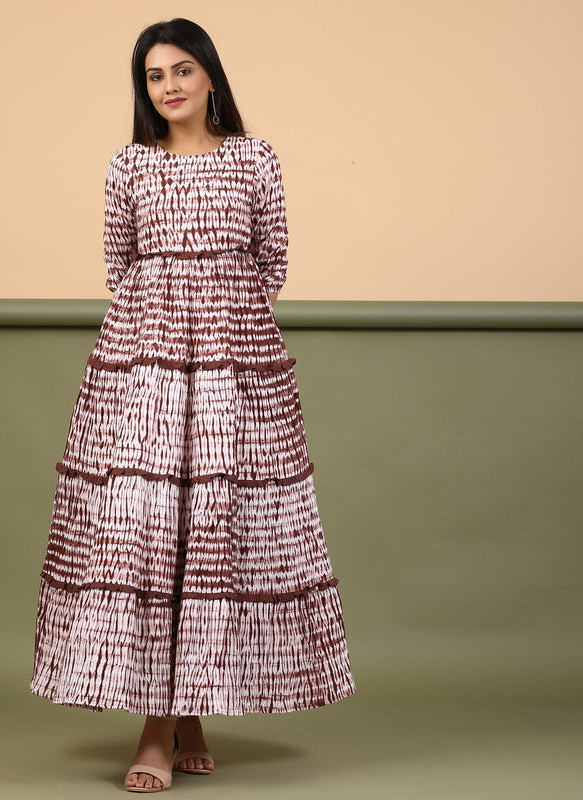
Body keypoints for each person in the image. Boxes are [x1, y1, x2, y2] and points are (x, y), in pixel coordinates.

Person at [30, 18, 355, 793]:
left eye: (183, 70)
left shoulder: (254, 158)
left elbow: (271, 262)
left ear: (211, 76)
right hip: (142, 368)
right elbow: (120, 265)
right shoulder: (129, 166)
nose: (169, 86)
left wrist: (218, 324)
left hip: (236, 369)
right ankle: (158, 726)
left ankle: (184, 714)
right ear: (143, 90)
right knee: (144, 531)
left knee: (215, 532)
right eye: (153, 76)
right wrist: (166, 326)